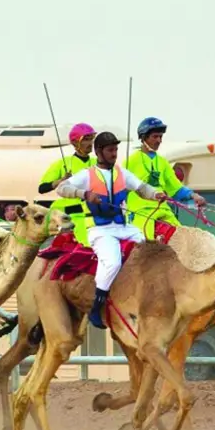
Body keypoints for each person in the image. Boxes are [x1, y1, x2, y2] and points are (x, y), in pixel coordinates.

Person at [56, 131, 166, 329]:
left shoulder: (122, 174)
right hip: (100, 230)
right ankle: (97, 306)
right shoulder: (87, 175)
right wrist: (84, 193)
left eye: (115, 149)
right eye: (110, 150)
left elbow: (142, 188)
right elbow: (62, 188)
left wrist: (156, 194)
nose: (114, 154)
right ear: (99, 151)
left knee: (149, 251)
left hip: (124, 227)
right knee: (113, 262)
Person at [125, 116, 206, 240]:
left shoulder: (163, 163)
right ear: (143, 137)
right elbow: (119, 188)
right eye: (155, 137)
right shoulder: (130, 162)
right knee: (144, 245)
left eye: (160, 137)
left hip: (163, 209)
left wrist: (194, 196)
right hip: (140, 212)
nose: (159, 140)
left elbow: (176, 188)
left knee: (185, 238)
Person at [38, 122, 97, 244]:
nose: (90, 143)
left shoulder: (97, 163)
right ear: (75, 142)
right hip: (72, 219)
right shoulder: (62, 163)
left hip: (95, 218)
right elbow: (42, 188)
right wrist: (60, 181)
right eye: (86, 139)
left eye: (92, 139)